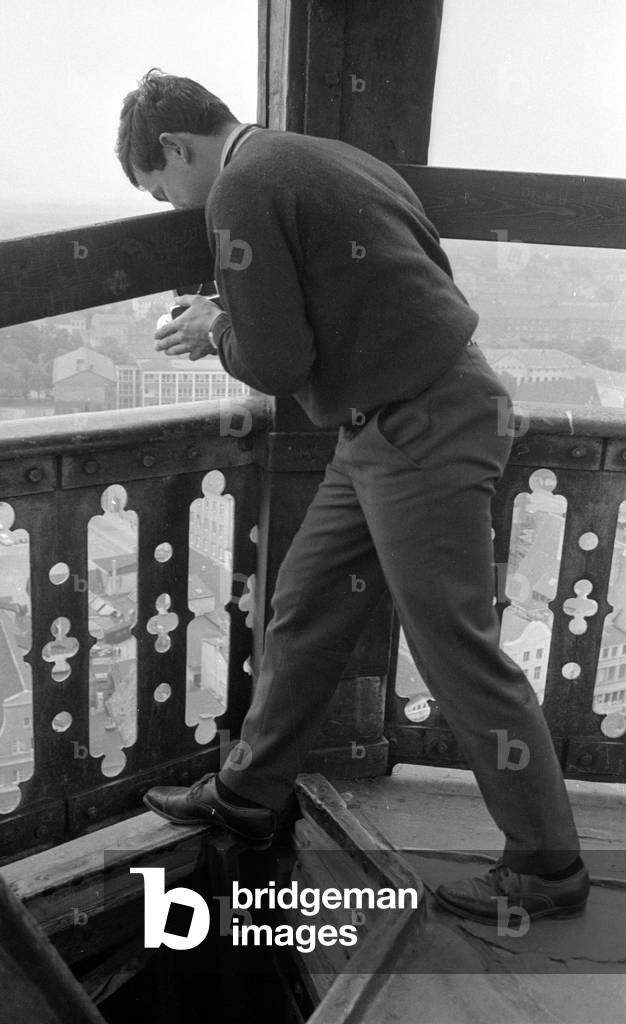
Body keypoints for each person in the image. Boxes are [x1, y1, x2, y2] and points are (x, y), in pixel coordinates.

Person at [115, 70, 589, 925]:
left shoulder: (239, 189)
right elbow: (401, 271)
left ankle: (547, 866)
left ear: (178, 148)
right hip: (392, 419)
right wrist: (243, 305)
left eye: (161, 189)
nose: (176, 208)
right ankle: (248, 794)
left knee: (456, 649)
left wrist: (216, 328)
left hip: (421, 426)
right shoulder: (323, 157)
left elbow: (278, 363)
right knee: (305, 605)